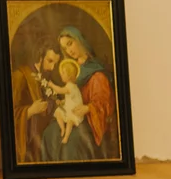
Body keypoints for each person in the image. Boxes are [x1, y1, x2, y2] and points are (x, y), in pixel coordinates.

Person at [41, 25, 119, 162]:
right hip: (73, 114)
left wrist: (88, 108)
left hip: (89, 121)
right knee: (49, 133)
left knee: (71, 144)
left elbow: (105, 102)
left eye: (70, 43)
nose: (69, 51)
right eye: (65, 48)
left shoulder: (96, 71)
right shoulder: (71, 69)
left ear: (79, 40)